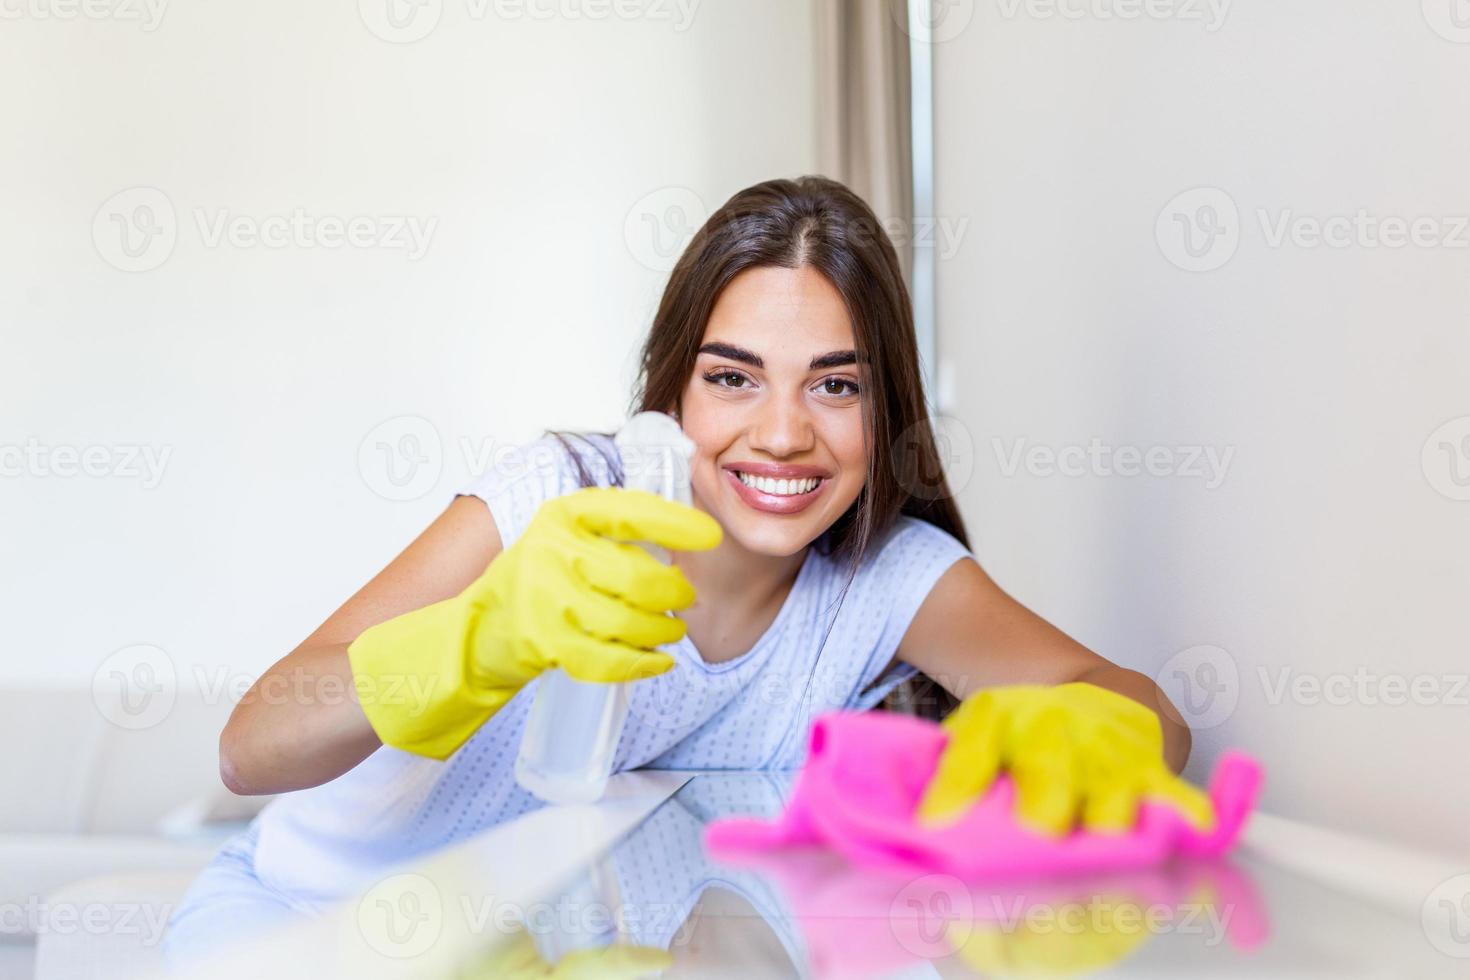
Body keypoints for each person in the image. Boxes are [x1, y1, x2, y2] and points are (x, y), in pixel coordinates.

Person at [162, 175, 1208, 968]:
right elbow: (250, 746)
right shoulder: (557, 494)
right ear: (672, 390)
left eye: (835, 384)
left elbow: (1135, 708)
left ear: (884, 406)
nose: (784, 433)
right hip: (306, 927)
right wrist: (482, 633)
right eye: (733, 378)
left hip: (521, 945)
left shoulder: (881, 577)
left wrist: (1087, 727)